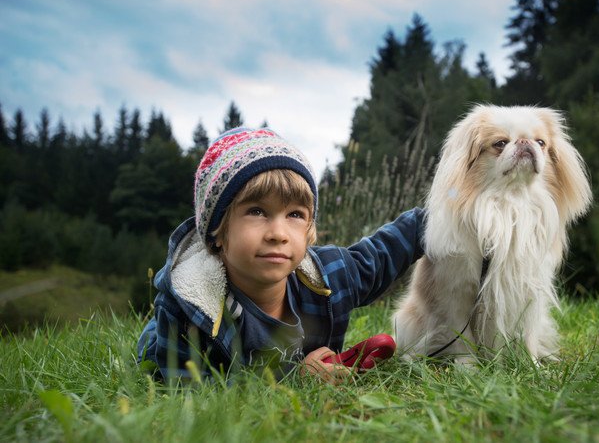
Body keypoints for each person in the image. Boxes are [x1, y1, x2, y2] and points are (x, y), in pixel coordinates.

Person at [136, 127, 425, 384]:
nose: (279, 233)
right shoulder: (188, 309)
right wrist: (293, 379)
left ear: (310, 230)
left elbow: (387, 250)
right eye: (257, 211)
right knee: (151, 349)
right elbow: (188, 390)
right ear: (218, 230)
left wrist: (447, 210)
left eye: (295, 215)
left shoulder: (330, 276)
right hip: (165, 346)